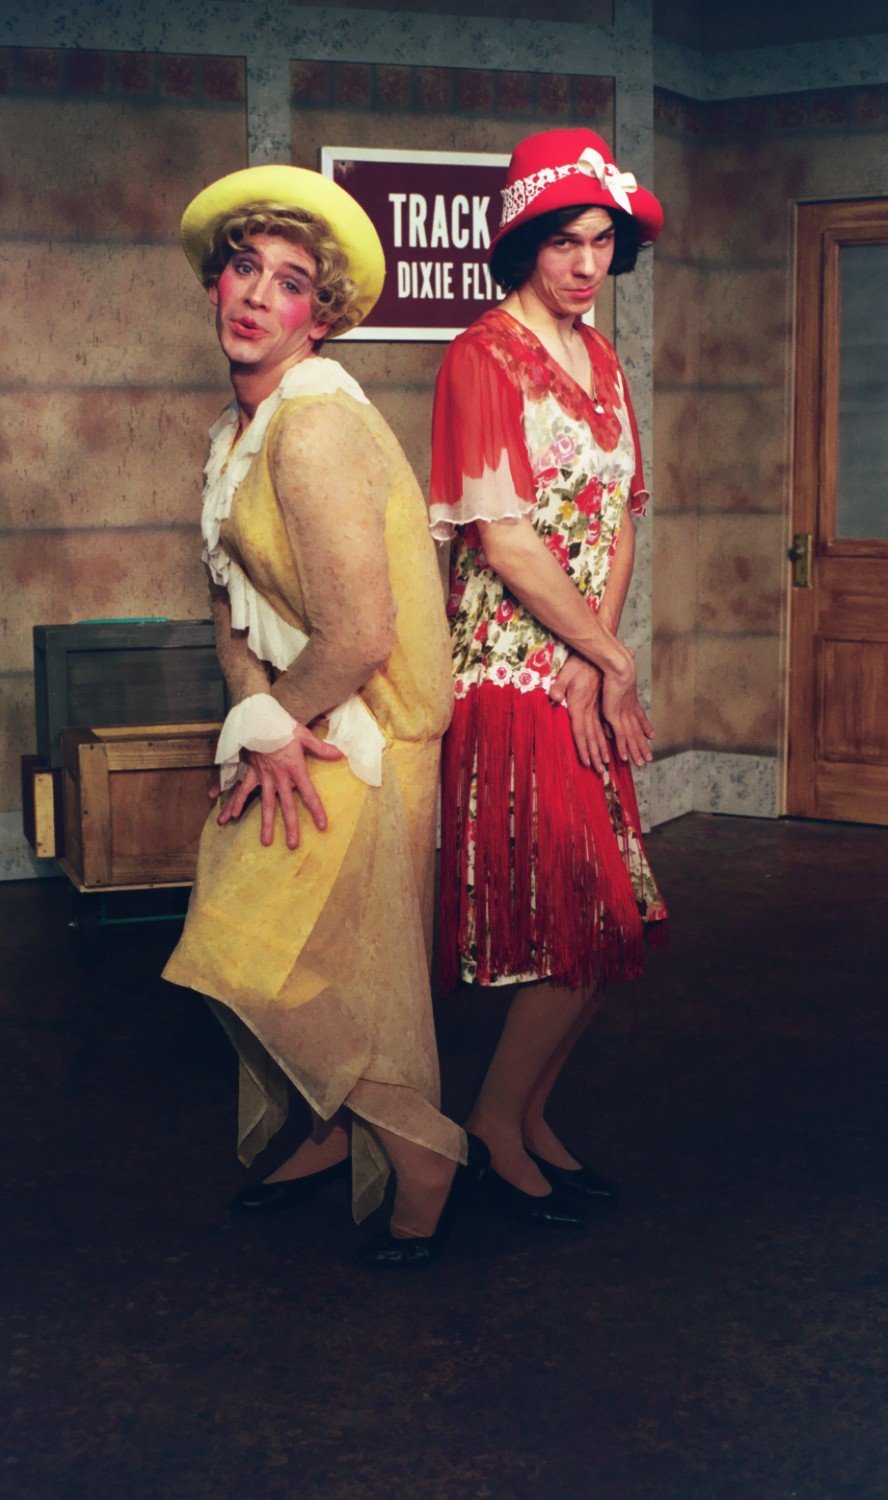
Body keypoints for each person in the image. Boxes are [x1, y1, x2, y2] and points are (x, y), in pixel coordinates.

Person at [162, 165, 485, 1267]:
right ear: (216, 285)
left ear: (321, 314)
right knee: (282, 954)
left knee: (266, 954)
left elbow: (360, 634)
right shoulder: (233, 431)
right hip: (303, 721)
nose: (257, 296)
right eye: (243, 269)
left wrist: (271, 726)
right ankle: (336, 1122)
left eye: (289, 284)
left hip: (372, 733)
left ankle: (422, 1147)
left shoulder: (309, 431)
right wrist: (259, 713)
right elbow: (226, 604)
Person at [429, 129, 668, 1225]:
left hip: (576, 673)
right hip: (506, 673)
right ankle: (491, 1122)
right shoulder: (479, 356)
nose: (586, 263)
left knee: (609, 928)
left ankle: (523, 1119)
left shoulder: (607, 365)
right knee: (580, 916)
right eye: (565, 240)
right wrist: (604, 658)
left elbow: (616, 523)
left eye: (602, 240)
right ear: (524, 242)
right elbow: (504, 535)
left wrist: (597, 661)